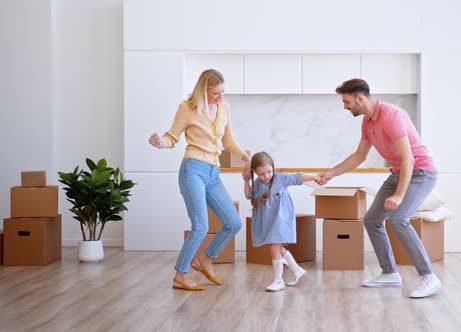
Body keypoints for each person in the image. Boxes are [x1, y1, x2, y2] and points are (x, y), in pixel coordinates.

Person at [318, 78, 441, 298]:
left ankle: (429, 277)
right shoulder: (367, 122)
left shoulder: (392, 116)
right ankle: (389, 273)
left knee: (398, 219)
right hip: (397, 173)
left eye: (346, 102)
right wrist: (331, 173)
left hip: (420, 172)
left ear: (360, 98)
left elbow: (408, 160)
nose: (345, 107)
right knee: (372, 219)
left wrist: (399, 195)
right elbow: (359, 156)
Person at [148, 69, 250, 291]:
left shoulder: (224, 108)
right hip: (192, 169)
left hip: (213, 173)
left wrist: (246, 157)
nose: (220, 97)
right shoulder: (188, 108)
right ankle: (180, 275)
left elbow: (229, 140)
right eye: (216, 93)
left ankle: (205, 258)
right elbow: (172, 136)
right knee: (200, 225)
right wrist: (160, 142)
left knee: (233, 222)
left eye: (222, 92)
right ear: (203, 91)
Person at [245, 151, 321, 292]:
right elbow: (248, 195)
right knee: (279, 248)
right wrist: (245, 181)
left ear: (273, 167)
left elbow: (298, 178)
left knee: (274, 247)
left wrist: (315, 177)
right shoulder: (256, 183)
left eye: (269, 171)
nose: (266, 176)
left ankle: (278, 281)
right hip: (269, 219)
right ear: (255, 172)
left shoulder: (280, 178)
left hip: (281, 218)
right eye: (261, 174)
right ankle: (297, 270)